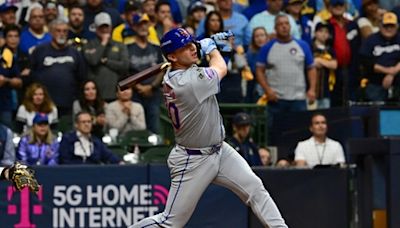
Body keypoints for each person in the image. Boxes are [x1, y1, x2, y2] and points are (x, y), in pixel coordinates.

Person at [129, 27, 287, 228]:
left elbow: (211, 64)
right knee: (170, 222)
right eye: (185, 47)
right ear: (172, 56)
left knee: (255, 188)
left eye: (192, 44)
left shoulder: (182, 70)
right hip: (193, 159)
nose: (192, 48)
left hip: (220, 150)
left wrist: (209, 50)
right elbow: (220, 68)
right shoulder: (186, 83)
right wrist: (211, 49)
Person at [256, 15, 317, 144]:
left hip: (298, 99)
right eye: (280, 24)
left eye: (286, 24)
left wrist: (312, 89)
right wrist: (267, 90)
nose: (284, 26)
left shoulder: (302, 45)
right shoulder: (267, 48)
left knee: (300, 135)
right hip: (276, 99)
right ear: (275, 28)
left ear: (290, 26)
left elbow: (311, 68)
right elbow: (259, 71)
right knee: (275, 135)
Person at [30, 19, 86, 117]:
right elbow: (32, 75)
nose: (62, 34)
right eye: (58, 31)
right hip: (44, 104)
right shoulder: (40, 51)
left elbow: (81, 77)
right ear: (51, 33)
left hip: (68, 104)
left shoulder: (75, 53)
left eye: (65, 31)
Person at [127, 13, 164, 134]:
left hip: (154, 93)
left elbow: (162, 69)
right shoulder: (128, 48)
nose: (143, 27)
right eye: (140, 25)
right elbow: (126, 71)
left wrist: (151, 86)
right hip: (135, 94)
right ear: (134, 27)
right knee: (137, 129)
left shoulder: (155, 47)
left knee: (155, 128)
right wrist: (139, 87)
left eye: (145, 24)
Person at [83, 12, 129, 102]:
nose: (104, 30)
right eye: (101, 27)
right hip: (95, 96)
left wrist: (106, 61)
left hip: (116, 95)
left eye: (106, 26)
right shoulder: (89, 45)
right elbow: (93, 61)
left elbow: (125, 66)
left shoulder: (120, 45)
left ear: (111, 28)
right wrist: (103, 43)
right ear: (95, 28)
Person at [359, 12, 400, 102]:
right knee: (376, 110)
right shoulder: (371, 40)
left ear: (397, 26)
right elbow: (365, 61)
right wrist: (387, 71)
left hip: (398, 82)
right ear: (380, 26)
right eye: (386, 26)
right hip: (376, 83)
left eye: (391, 26)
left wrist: (392, 72)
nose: (388, 29)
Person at [58, 111, 122, 165]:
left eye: (89, 122)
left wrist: (120, 163)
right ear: (76, 124)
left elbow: (108, 155)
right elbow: (64, 160)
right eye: (83, 122)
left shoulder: (96, 141)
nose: (87, 124)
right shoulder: (67, 139)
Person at [312, 22, 337, 109]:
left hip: (326, 90)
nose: (323, 34)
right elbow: (311, 63)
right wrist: (326, 63)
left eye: (326, 32)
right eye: (321, 31)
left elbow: (334, 65)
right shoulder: (309, 47)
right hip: (311, 90)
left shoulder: (330, 50)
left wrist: (319, 60)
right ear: (315, 33)